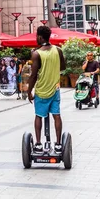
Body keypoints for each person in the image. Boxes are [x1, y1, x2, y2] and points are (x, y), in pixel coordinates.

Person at [27, 26, 66, 154]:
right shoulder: (58, 50)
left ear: (39, 36)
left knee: (39, 116)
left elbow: (33, 75)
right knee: (57, 115)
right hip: (55, 89)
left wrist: (29, 91)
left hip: (42, 90)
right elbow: (63, 67)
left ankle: (38, 144)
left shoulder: (37, 54)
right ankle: (59, 144)